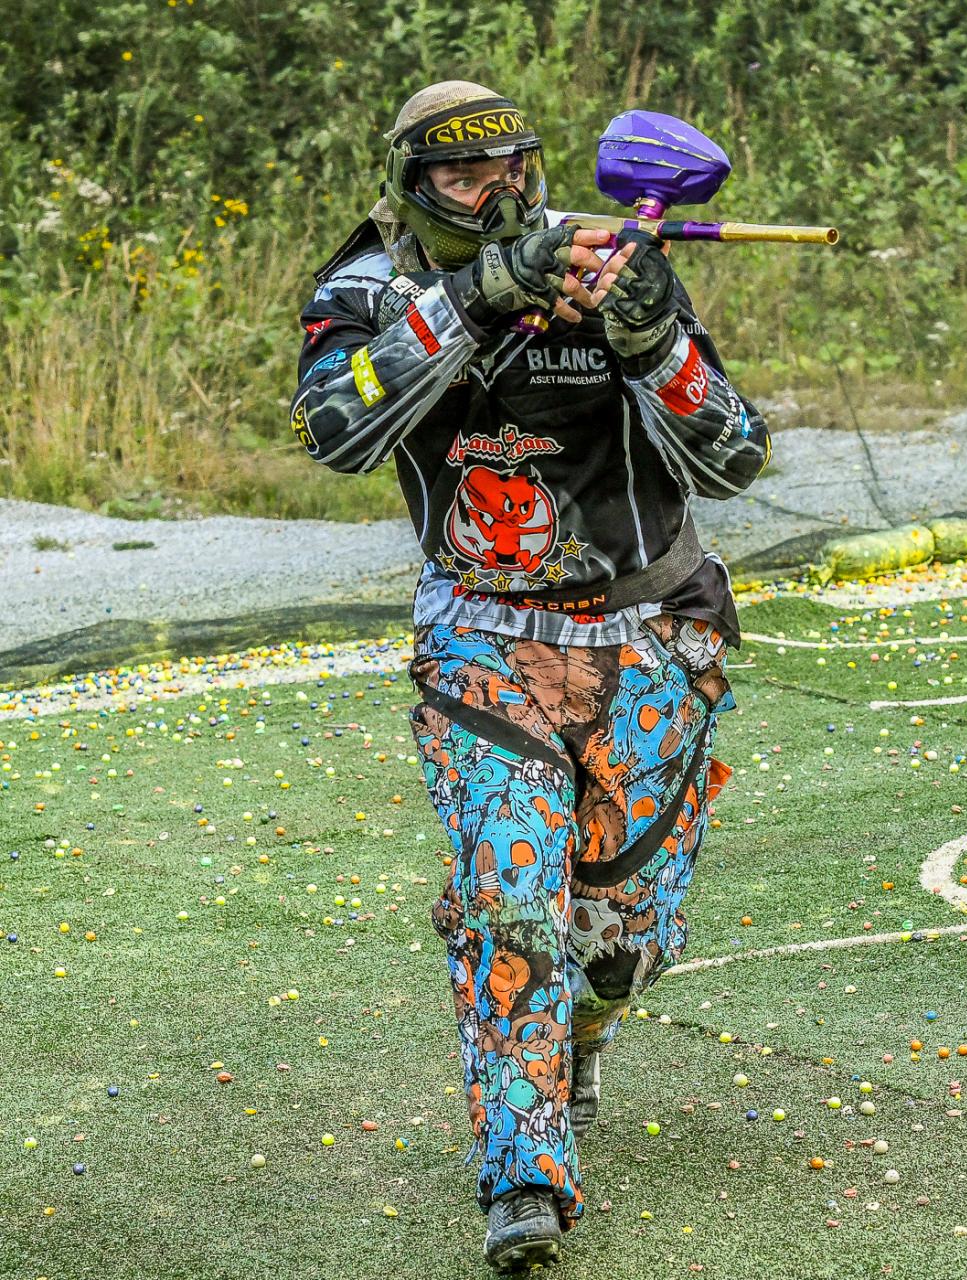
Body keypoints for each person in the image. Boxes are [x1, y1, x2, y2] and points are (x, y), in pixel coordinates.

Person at [290, 79, 770, 1272]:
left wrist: (652, 337)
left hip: (650, 627)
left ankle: (582, 1029)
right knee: (513, 896)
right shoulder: (368, 290)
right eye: (465, 178)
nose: (497, 194)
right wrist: (473, 299)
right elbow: (334, 429)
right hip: (481, 637)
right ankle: (521, 1175)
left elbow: (735, 455)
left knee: (620, 941)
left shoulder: (607, 265)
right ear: (413, 187)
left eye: (513, 169)